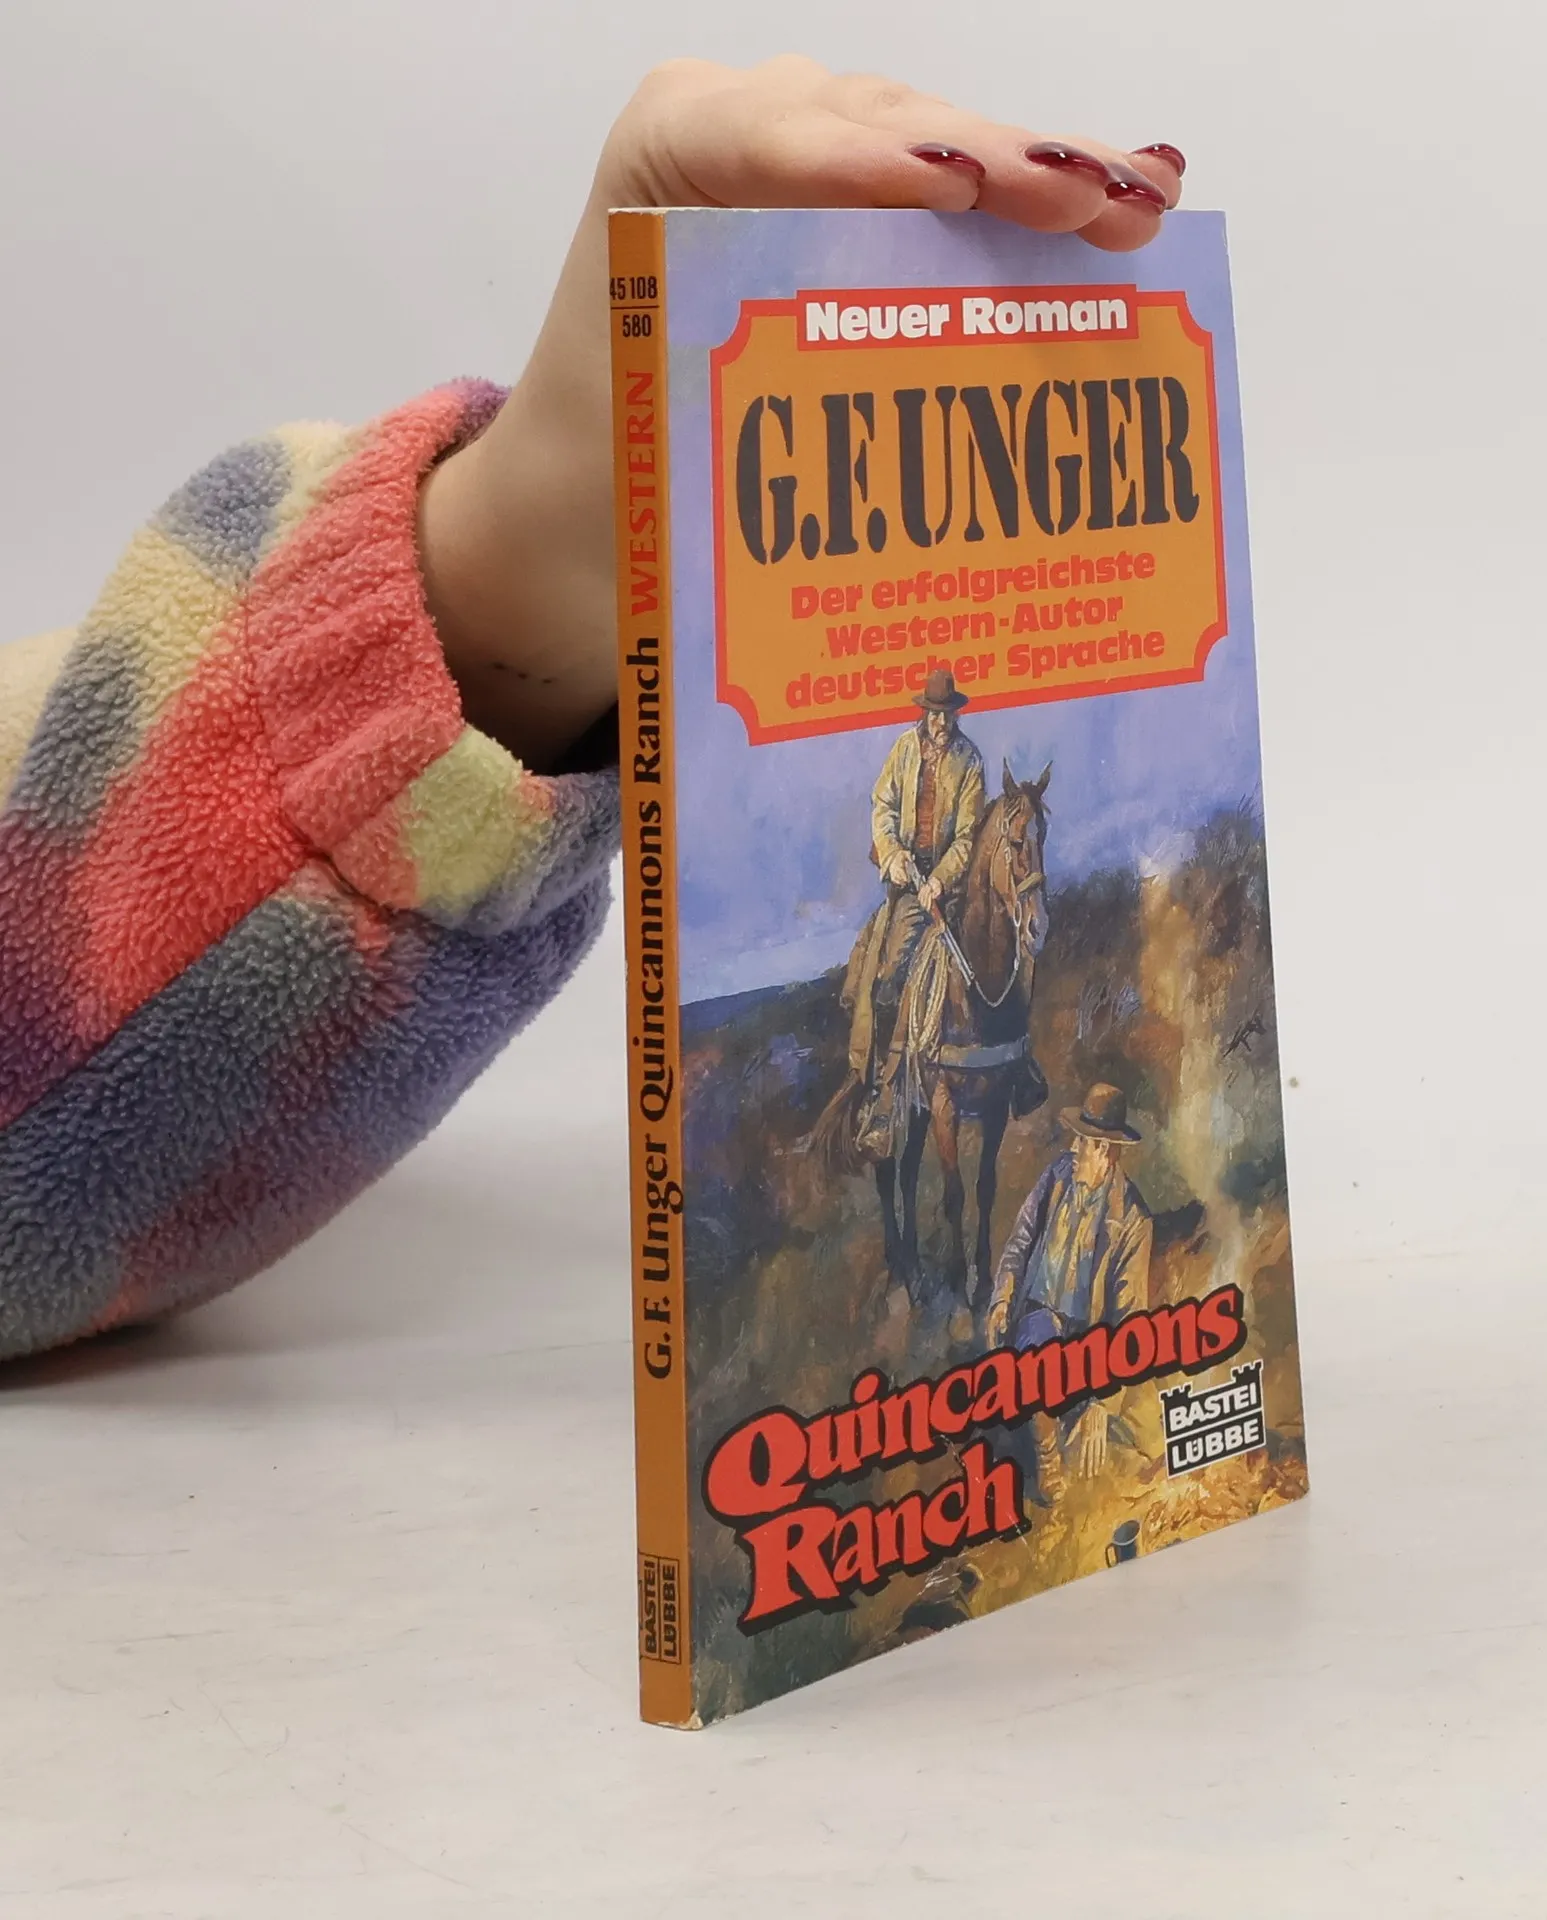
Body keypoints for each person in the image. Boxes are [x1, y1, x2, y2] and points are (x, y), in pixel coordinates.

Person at [0, 59, 1186, 1363]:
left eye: (955, 709)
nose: (950, 719)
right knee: (888, 968)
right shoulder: (916, 757)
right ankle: (878, 1088)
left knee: (1011, 985)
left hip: (951, 872)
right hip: (917, 885)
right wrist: (918, 869)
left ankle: (1005, 1066)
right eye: (947, 707)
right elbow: (900, 828)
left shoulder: (968, 766)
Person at [984, 1084, 1154, 1501]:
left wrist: (1103, 1401)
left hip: (1088, 1341)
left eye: (1084, 1143)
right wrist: (1003, 1297)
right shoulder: (1057, 1177)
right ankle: (1046, 1455)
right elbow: (1020, 1241)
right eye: (1077, 1140)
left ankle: (1073, 1414)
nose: (1074, 1149)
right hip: (1039, 1319)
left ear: (1106, 1152)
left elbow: (1131, 1319)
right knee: (1037, 1347)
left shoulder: (1133, 1220)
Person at [840, 667, 986, 1096]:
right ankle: (884, 1079)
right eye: (933, 713)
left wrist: (939, 880)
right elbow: (882, 806)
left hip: (951, 882)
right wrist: (893, 856)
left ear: (956, 713)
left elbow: (967, 835)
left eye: (946, 714)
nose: (939, 722)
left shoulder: (970, 760)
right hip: (908, 880)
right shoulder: (904, 749)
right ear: (924, 712)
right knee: (889, 975)